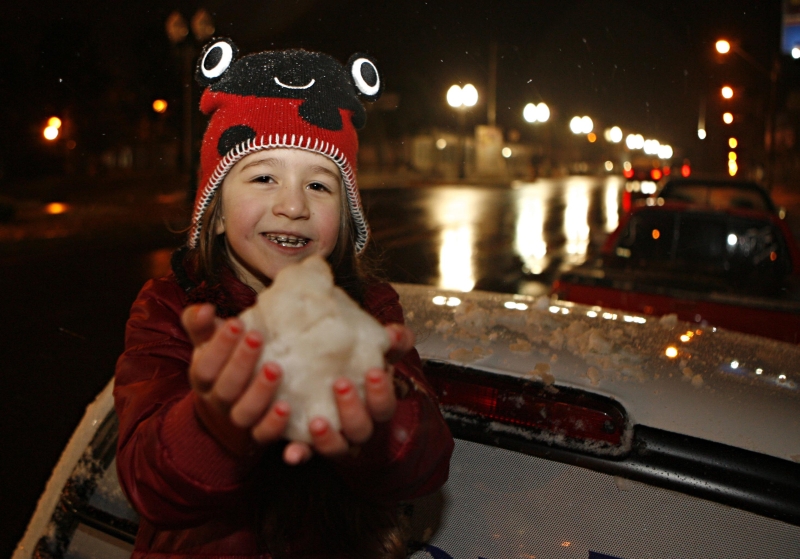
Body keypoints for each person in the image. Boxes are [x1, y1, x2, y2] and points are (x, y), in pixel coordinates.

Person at [114, 39, 454, 559]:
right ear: (218, 211)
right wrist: (213, 426)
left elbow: (425, 462)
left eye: (320, 186)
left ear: (346, 222)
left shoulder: (369, 311)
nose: (293, 205)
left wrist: (380, 426)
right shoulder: (173, 311)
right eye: (264, 176)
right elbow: (147, 482)